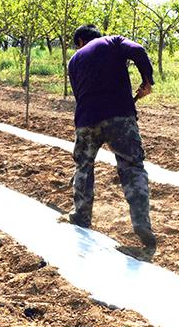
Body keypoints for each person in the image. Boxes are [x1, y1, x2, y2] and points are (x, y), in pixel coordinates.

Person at [66, 24, 157, 252]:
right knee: (132, 167)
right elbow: (137, 50)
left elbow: (80, 95)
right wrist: (147, 81)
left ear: (80, 42)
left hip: (86, 119)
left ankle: (81, 216)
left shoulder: (74, 61)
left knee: (84, 168)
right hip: (120, 115)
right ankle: (141, 224)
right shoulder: (114, 41)